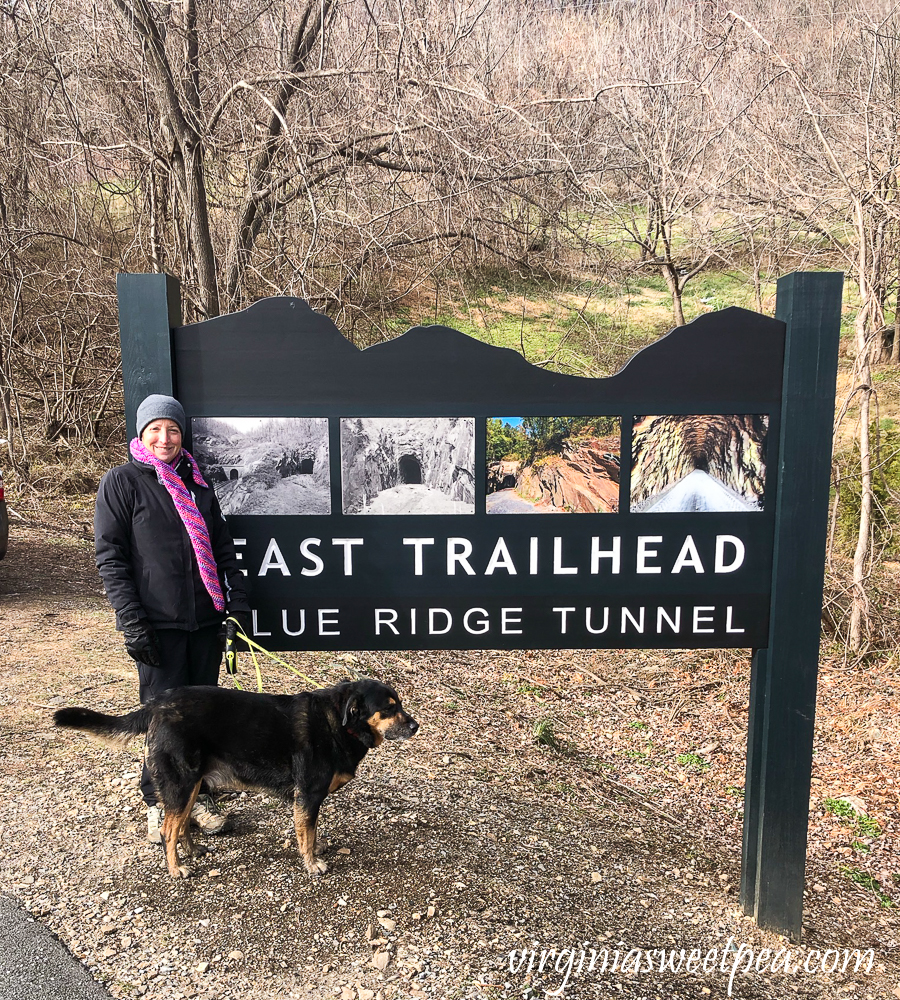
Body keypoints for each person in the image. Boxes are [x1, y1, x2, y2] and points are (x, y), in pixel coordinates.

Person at [94, 393, 251, 843]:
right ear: (142, 434)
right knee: (162, 720)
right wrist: (133, 622)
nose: (164, 438)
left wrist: (236, 606)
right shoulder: (122, 482)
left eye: (173, 430)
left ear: (183, 436)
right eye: (156, 429)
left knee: (202, 717)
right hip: (157, 624)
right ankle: (157, 801)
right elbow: (111, 557)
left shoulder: (200, 487)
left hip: (205, 621)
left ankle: (196, 795)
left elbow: (223, 551)